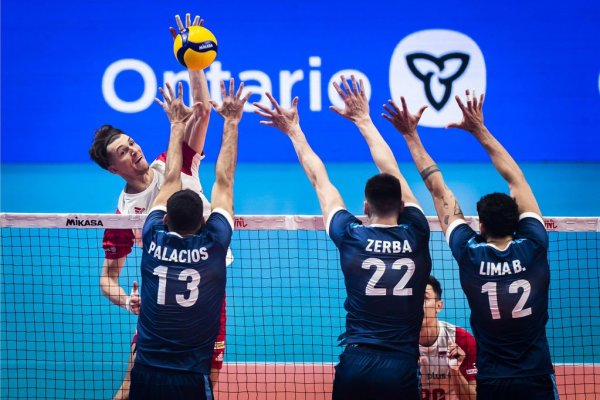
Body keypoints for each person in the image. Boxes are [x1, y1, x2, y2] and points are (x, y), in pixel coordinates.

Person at [254, 78, 431, 400]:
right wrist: (363, 120)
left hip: (357, 361)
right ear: (403, 206)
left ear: (365, 207)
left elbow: (320, 180)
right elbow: (391, 170)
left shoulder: (351, 235)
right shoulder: (417, 232)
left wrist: (294, 130)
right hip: (401, 364)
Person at [88, 14, 228, 399]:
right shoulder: (121, 213)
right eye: (122, 152)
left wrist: (194, 63)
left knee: (206, 388)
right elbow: (106, 278)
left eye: (131, 142)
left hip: (208, 292)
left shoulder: (174, 161)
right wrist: (126, 299)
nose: (133, 150)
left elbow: (201, 111)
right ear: (113, 168)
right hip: (159, 302)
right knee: (131, 386)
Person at [383, 90, 557, 399]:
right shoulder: (534, 244)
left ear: (481, 225)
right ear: (518, 222)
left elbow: (438, 190)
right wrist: (480, 129)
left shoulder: (469, 253)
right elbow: (516, 179)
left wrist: (411, 135)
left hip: (493, 379)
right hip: (536, 375)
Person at [129, 78, 247, 399]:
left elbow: (168, 183)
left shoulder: (152, 237)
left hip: (147, 373)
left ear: (164, 219)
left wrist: (176, 123)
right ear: (205, 221)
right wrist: (232, 122)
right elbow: (224, 181)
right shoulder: (214, 247)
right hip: (190, 377)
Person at [419, 275, 477, 400]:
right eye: (413, 298)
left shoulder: (462, 340)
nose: (417, 304)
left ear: (439, 306)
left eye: (424, 298)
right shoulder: (398, 343)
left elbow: (473, 398)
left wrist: (454, 370)